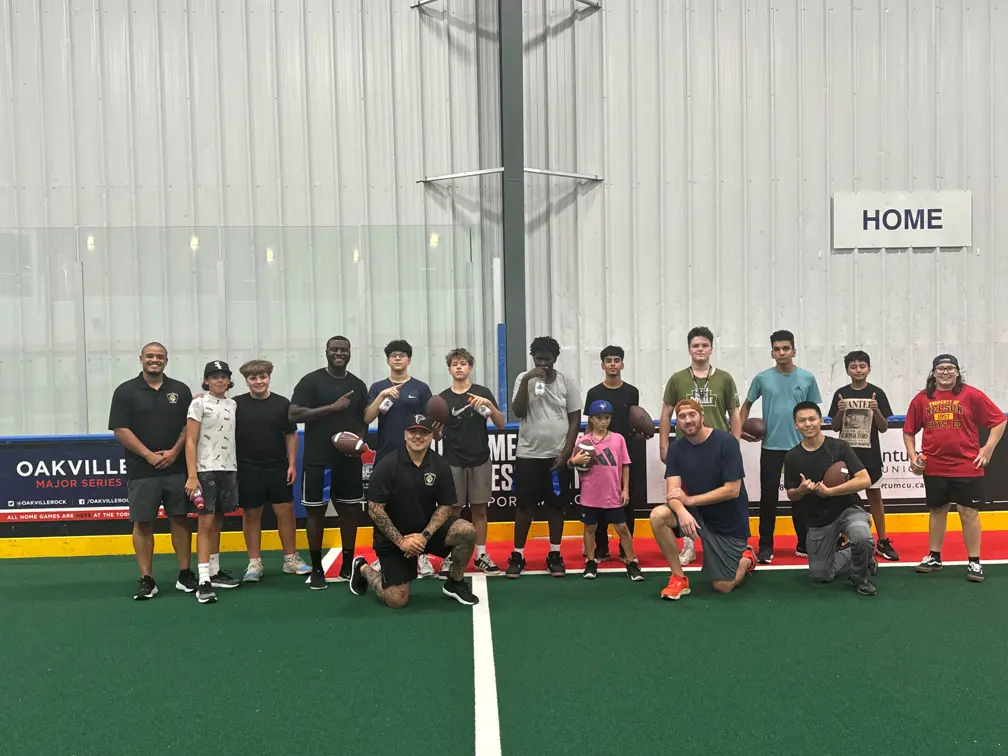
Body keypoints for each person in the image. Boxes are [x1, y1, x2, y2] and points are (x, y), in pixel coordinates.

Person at [348, 415, 479, 608]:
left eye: (424, 432)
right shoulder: (387, 465)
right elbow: (375, 509)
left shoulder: (440, 465)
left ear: (431, 436)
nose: (418, 436)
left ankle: (455, 582)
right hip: (394, 538)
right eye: (413, 432)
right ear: (404, 435)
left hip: (425, 533)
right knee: (397, 600)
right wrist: (401, 541)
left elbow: (445, 506)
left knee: (466, 531)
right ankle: (363, 568)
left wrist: (425, 535)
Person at [903, 354, 1006, 582]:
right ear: (934, 373)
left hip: (966, 465)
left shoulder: (971, 395)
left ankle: (974, 562)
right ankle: (934, 557)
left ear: (958, 372)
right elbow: (909, 430)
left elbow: (999, 420)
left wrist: (987, 449)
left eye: (950, 368)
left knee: (968, 512)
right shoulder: (922, 399)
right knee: (937, 510)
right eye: (941, 369)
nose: (946, 372)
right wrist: (913, 457)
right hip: (934, 466)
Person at [108, 342, 197, 600]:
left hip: (177, 468)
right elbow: (120, 429)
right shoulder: (125, 391)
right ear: (141, 359)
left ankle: (185, 574)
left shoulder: (180, 390)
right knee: (143, 523)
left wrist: (174, 452)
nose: (154, 360)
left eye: (159, 356)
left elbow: (188, 427)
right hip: (142, 470)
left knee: (179, 519)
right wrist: (148, 455)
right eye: (150, 356)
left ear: (166, 361)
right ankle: (147, 579)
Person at [649, 400, 756, 601]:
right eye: (682, 417)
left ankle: (746, 559)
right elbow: (673, 493)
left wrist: (689, 501)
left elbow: (732, 490)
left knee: (723, 586)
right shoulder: (676, 449)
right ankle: (678, 578)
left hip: (728, 523)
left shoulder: (727, 442)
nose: (688, 420)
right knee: (658, 516)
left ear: (702, 417)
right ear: (677, 423)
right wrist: (682, 512)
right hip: (697, 514)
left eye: (692, 415)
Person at [289, 336, 369, 588]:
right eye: (335, 349)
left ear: (349, 353)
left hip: (348, 461)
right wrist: (332, 407)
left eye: (344, 350)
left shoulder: (357, 384)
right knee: (316, 514)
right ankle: (316, 569)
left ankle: (347, 565)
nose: (339, 353)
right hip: (317, 459)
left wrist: (357, 444)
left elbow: (363, 420)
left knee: (350, 512)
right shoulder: (311, 381)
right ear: (326, 352)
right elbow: (294, 413)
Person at [658, 326, 742, 565]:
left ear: (711, 348)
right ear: (689, 349)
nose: (700, 349)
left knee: (722, 493)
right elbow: (666, 412)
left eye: (704, 345)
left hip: (717, 448)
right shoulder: (678, 378)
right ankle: (688, 544)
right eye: (695, 345)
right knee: (684, 494)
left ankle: (729, 541)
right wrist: (664, 443)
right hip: (687, 447)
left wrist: (734, 443)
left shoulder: (724, 378)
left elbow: (734, 412)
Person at [740, 329, 822, 563]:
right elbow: (746, 405)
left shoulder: (807, 378)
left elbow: (814, 413)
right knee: (768, 499)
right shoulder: (762, 378)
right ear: (772, 352)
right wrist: (740, 429)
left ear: (793, 351)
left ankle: (804, 542)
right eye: (777, 349)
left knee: (802, 496)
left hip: (801, 448)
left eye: (786, 348)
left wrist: (815, 438)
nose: (782, 352)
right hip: (771, 447)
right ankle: (766, 545)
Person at [505, 336, 581, 578]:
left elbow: (575, 419)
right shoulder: (523, 378)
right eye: (538, 359)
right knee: (524, 506)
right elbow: (518, 412)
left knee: (556, 507)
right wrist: (528, 378)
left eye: (547, 359)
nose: (543, 363)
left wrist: (566, 452)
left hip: (557, 456)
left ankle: (555, 554)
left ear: (555, 359)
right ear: (533, 358)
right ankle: (517, 555)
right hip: (528, 453)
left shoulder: (566, 381)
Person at [784, 402, 877, 595]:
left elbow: (865, 479)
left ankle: (859, 577)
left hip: (849, 509)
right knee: (820, 575)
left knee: (862, 537)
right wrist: (801, 490)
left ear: (820, 421)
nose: (808, 424)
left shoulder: (839, 447)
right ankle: (858, 555)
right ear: (795, 425)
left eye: (812, 419)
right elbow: (791, 494)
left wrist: (831, 492)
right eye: (802, 421)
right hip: (818, 518)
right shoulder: (792, 456)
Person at [235, 359, 311, 582]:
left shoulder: (282, 403)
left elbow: (291, 435)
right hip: (247, 468)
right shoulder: (235, 404)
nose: (258, 382)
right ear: (246, 381)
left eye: (262, 377)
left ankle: (291, 559)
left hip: (278, 466)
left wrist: (292, 464)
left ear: (269, 377)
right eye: (253, 378)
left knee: (285, 511)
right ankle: (254, 563)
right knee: (251, 514)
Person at [365, 339, 436, 577]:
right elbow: (367, 418)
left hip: (417, 455)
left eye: (402, 355)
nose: (398, 359)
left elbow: (431, 422)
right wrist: (382, 395)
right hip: (386, 455)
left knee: (421, 504)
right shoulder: (377, 387)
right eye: (393, 355)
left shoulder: (421, 388)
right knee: (383, 507)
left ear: (409, 360)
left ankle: (422, 554)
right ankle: (384, 556)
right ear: (387, 360)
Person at [437, 347, 506, 576]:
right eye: (455, 363)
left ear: (470, 368)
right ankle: (451, 557)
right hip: (452, 461)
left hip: (479, 459)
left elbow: (501, 423)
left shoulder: (481, 392)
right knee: (453, 511)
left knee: (480, 510)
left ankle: (481, 555)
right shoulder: (442, 398)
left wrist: (489, 403)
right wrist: (435, 426)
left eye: (463, 363)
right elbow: (436, 436)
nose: (459, 367)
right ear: (449, 369)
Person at [827, 351, 899, 561]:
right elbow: (834, 426)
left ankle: (883, 540)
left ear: (869, 368)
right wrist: (840, 411)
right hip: (846, 455)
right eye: (853, 366)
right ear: (847, 370)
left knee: (874, 496)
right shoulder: (841, 393)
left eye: (862, 366)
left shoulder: (877, 393)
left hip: (870, 454)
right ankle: (842, 538)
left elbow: (884, 428)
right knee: (842, 497)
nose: (858, 370)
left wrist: (876, 411)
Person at [582, 345, 647, 563]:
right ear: (602, 365)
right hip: (599, 455)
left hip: (625, 452)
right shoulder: (594, 393)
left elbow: (636, 421)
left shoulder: (632, 392)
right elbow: (588, 427)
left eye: (616, 360)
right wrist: (584, 448)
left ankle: (624, 547)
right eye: (608, 360)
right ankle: (600, 547)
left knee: (626, 501)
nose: (612, 364)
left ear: (622, 364)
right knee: (598, 502)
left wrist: (640, 434)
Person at [184, 361, 242, 604]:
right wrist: (192, 475)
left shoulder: (233, 404)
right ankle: (204, 579)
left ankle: (215, 571)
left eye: (223, 376)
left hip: (228, 469)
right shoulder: (198, 403)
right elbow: (190, 441)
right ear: (206, 380)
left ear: (229, 380)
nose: (219, 380)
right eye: (214, 376)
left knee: (218, 519)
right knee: (205, 523)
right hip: (205, 470)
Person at [571, 400, 643, 581]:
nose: (603, 421)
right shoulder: (583, 441)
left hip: (613, 493)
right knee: (590, 528)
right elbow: (573, 462)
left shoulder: (618, 439)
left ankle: (631, 561)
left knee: (622, 528)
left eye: (607, 418)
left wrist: (625, 489)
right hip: (590, 494)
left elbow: (625, 465)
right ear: (592, 420)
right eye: (599, 418)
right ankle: (590, 560)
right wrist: (574, 461)